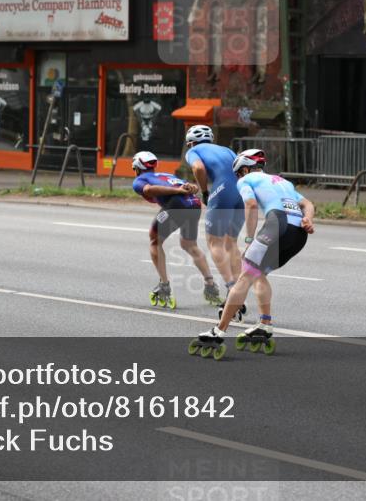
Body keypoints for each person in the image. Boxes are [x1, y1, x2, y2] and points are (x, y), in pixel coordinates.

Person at [190, 148, 315, 358]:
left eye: (239, 173)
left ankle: (218, 331)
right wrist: (308, 219)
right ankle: (265, 323)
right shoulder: (282, 181)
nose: (238, 178)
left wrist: (249, 239)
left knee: (245, 276)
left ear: (245, 169)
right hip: (299, 234)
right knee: (259, 274)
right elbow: (307, 204)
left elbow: (250, 204)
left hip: (278, 225)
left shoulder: (246, 180)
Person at [131, 150, 217, 309]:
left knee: (154, 240)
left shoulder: (139, 180)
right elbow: (190, 187)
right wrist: (191, 187)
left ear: (136, 168)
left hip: (177, 205)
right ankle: (210, 285)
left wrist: (177, 191)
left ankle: (164, 285)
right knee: (189, 244)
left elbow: (149, 190)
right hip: (194, 204)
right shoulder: (165, 175)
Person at [184, 124, 243, 307]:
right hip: (241, 191)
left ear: (191, 142)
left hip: (222, 191)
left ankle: (232, 290)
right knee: (231, 243)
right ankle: (239, 289)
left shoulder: (194, 151)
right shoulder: (226, 149)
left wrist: (204, 191)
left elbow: (198, 168)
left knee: (214, 242)